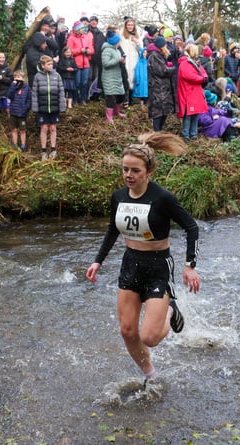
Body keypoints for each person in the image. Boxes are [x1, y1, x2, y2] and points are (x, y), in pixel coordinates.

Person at [85, 131, 200, 383]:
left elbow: (191, 227)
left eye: (135, 170)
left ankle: (170, 311)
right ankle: (151, 375)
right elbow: (113, 229)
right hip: (130, 265)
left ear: (148, 171)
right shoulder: (118, 197)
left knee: (149, 337)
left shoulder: (162, 198)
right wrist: (98, 260)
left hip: (159, 265)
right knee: (127, 331)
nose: (129, 175)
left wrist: (190, 265)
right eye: (125, 169)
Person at [32, 55, 65, 161]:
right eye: (48, 64)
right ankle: (43, 152)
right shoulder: (37, 76)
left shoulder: (57, 75)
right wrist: (35, 108)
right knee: (44, 128)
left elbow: (61, 91)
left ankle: (53, 150)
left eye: (52, 64)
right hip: (42, 108)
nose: (51, 66)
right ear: (42, 65)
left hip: (54, 107)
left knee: (53, 128)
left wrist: (62, 106)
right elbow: (34, 94)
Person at [177, 43, 208, 140]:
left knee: (195, 114)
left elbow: (204, 73)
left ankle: (193, 134)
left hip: (194, 93)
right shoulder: (185, 63)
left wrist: (204, 77)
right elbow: (189, 76)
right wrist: (202, 79)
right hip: (189, 93)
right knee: (188, 115)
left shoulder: (195, 62)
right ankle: (186, 135)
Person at [147, 36, 176, 131]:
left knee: (164, 113)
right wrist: (174, 69)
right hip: (158, 89)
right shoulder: (154, 56)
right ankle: (157, 134)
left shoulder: (158, 55)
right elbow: (162, 71)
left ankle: (160, 131)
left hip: (162, 89)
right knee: (158, 113)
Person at [101, 30, 126, 122]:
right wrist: (118, 60)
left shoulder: (117, 50)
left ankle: (116, 112)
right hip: (108, 77)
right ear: (115, 42)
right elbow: (105, 63)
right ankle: (109, 117)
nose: (120, 43)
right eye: (119, 41)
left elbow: (118, 60)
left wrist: (122, 61)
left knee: (121, 96)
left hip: (117, 77)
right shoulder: (106, 50)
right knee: (110, 98)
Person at [66, 21, 93, 105]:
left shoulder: (86, 37)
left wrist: (88, 51)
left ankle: (83, 99)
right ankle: (75, 99)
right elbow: (68, 51)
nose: (83, 29)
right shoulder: (71, 38)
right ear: (77, 29)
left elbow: (92, 49)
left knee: (84, 83)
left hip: (86, 64)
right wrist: (80, 50)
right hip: (76, 64)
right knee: (77, 83)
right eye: (82, 28)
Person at [6, 69, 31, 152]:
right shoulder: (13, 87)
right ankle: (15, 145)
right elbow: (9, 96)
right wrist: (13, 86)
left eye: (19, 77)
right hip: (13, 112)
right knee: (14, 129)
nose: (17, 78)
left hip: (22, 113)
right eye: (16, 77)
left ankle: (23, 145)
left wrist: (26, 108)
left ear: (23, 78)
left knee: (22, 130)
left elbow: (29, 99)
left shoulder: (27, 88)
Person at [120, 17, 141, 106]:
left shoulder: (137, 34)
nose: (130, 26)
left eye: (132, 25)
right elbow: (119, 46)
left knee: (133, 78)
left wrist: (137, 42)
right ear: (125, 25)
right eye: (128, 25)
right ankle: (125, 99)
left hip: (134, 59)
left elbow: (141, 49)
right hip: (126, 59)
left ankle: (131, 98)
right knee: (126, 78)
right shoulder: (121, 35)